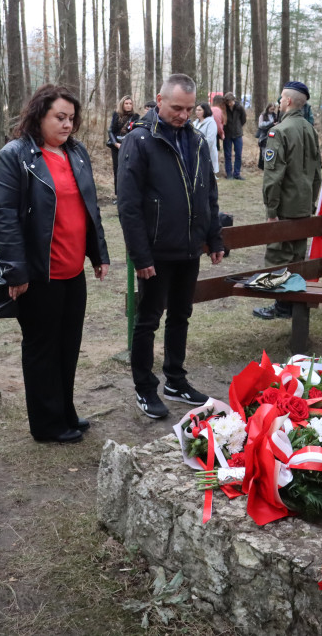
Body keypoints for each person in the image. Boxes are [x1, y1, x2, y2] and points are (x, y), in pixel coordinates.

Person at [0, 84, 110, 444]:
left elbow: (90, 208)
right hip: (40, 274)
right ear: (39, 115)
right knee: (42, 349)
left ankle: (65, 411)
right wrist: (16, 270)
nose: (67, 124)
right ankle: (46, 424)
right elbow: (4, 217)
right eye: (59, 117)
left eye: (71, 118)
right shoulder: (15, 156)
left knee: (68, 345)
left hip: (73, 272)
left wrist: (98, 254)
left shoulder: (77, 152)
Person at [117, 73, 224, 420]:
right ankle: (145, 388)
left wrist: (214, 237)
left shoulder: (196, 140)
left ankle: (176, 380)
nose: (183, 115)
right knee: (148, 320)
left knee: (182, 314)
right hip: (156, 251)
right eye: (177, 107)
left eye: (190, 109)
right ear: (159, 101)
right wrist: (140, 255)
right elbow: (129, 205)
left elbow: (208, 193)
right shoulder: (139, 140)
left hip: (190, 248)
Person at [252, 81, 322, 320]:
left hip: (285, 206)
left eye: (282, 98)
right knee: (297, 256)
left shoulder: (279, 131)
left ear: (289, 101)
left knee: (279, 256)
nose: (280, 102)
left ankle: (282, 306)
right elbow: (317, 173)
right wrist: (312, 202)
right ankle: (292, 304)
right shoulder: (310, 130)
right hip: (303, 205)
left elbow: (273, 177)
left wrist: (271, 210)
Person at [108, 95, 138, 185]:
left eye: (130, 103)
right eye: (126, 103)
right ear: (122, 104)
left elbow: (136, 132)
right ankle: (118, 195)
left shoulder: (136, 116)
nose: (128, 105)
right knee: (117, 170)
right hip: (116, 147)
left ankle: (129, 193)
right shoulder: (116, 115)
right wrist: (115, 143)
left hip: (130, 146)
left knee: (130, 170)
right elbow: (110, 131)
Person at [222, 92, 247, 179]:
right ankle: (229, 174)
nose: (229, 104)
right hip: (227, 134)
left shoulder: (239, 108)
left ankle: (237, 174)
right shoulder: (224, 108)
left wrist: (238, 126)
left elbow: (243, 119)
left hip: (238, 134)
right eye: (227, 102)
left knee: (238, 154)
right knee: (228, 154)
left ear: (234, 100)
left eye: (230, 102)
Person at [193, 102, 220, 174]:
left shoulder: (211, 122)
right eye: (196, 110)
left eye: (200, 110)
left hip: (207, 153)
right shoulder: (195, 123)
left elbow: (210, 140)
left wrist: (199, 147)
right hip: (196, 153)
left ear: (205, 111)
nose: (197, 112)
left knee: (207, 175)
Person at [255, 102, 277, 169]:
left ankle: (268, 165)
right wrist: (271, 123)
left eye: (273, 109)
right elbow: (261, 125)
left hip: (272, 135)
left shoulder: (275, 115)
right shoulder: (263, 115)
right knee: (263, 151)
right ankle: (262, 166)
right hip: (264, 136)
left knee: (271, 151)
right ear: (268, 108)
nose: (272, 110)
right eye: (271, 109)